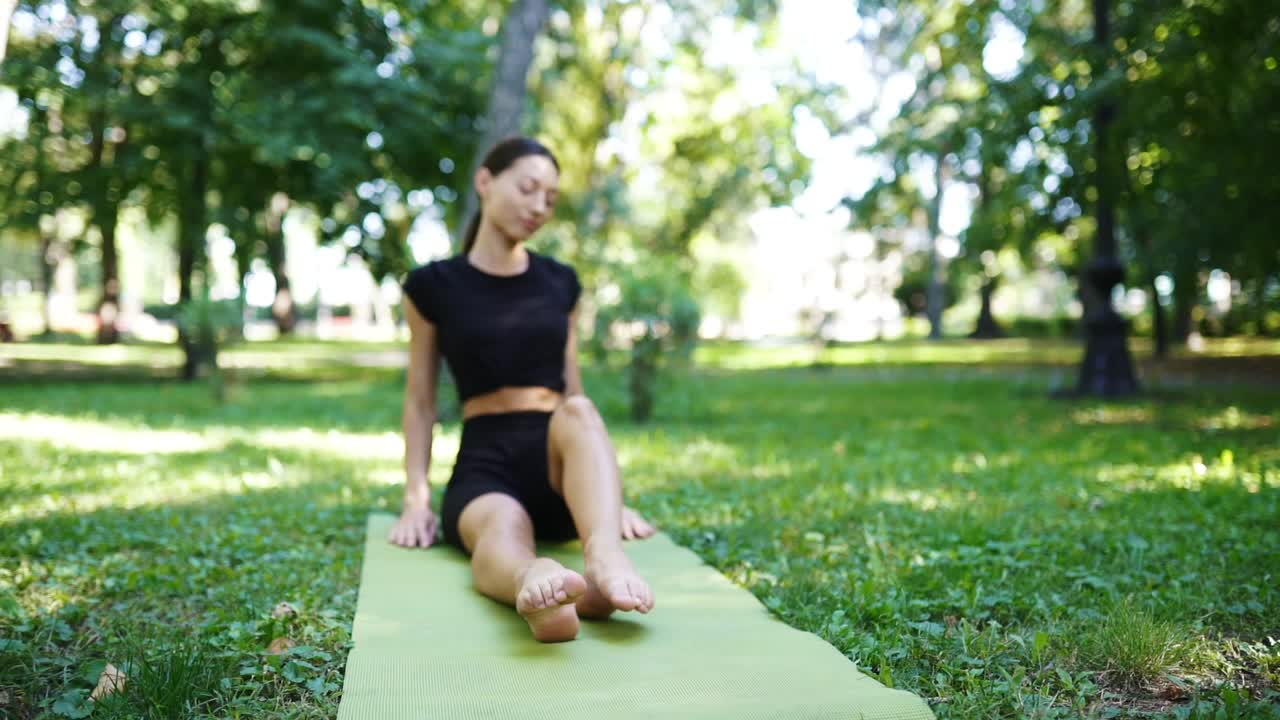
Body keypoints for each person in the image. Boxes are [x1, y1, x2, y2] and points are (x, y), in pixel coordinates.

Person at [388, 137, 657, 643]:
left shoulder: (560, 282)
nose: (539, 207)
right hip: (485, 462)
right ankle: (532, 582)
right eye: (529, 189)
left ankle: (602, 559)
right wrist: (416, 499)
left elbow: (575, 393)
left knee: (576, 408)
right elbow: (421, 401)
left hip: (558, 462)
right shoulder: (433, 286)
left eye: (551, 199)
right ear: (486, 181)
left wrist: (609, 500)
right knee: (501, 525)